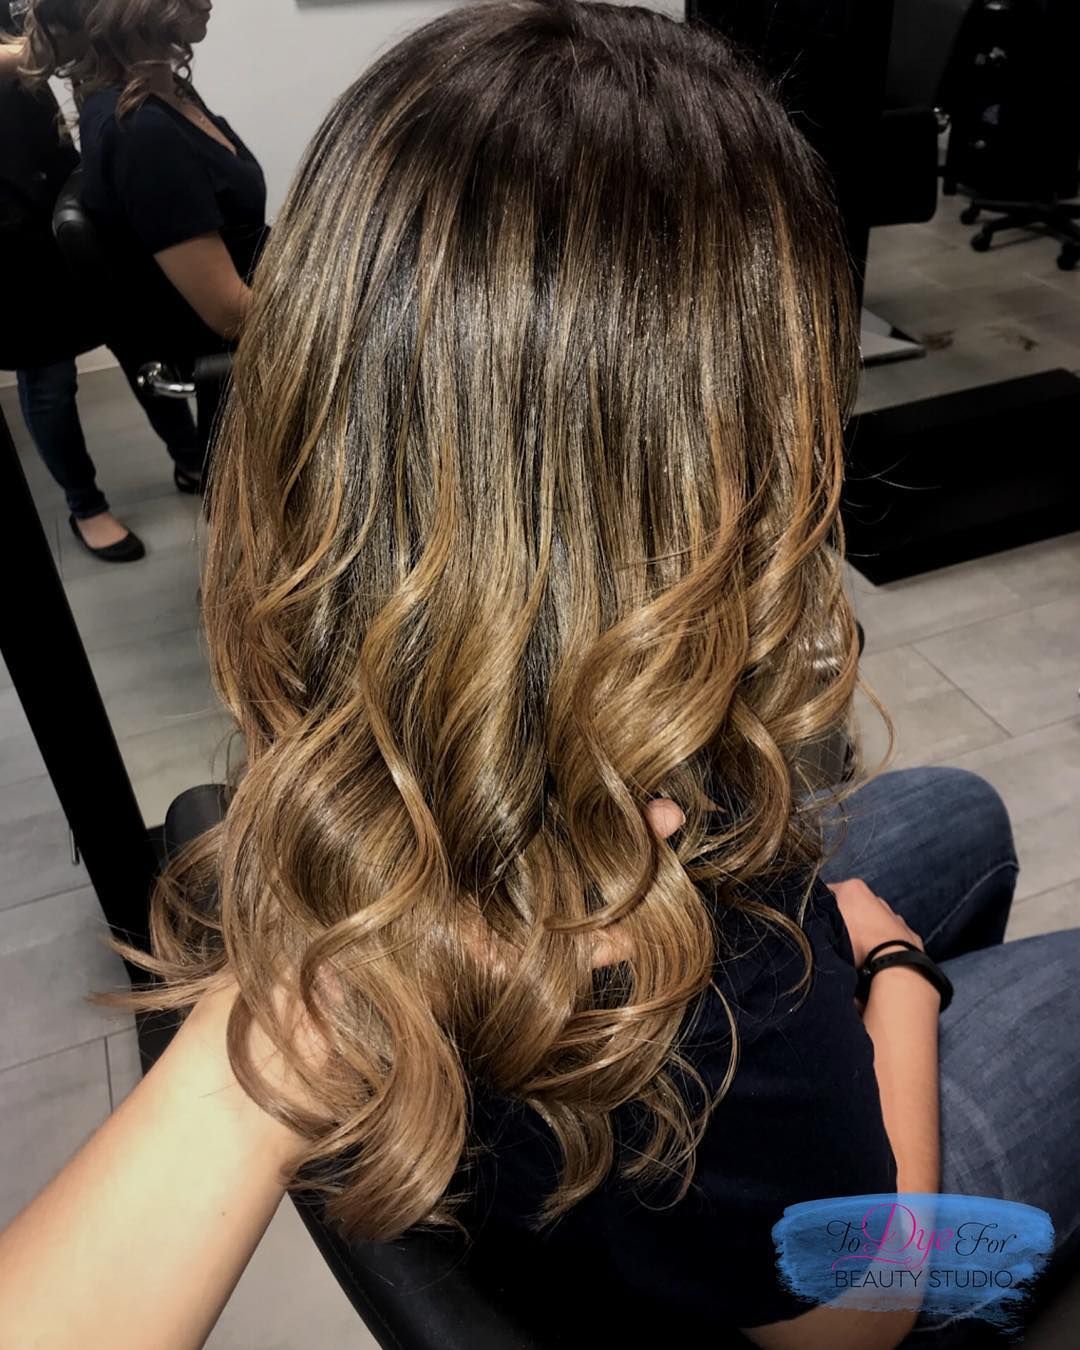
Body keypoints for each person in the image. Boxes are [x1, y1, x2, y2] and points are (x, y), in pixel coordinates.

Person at [0, 4, 1077, 1348]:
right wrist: (901, 982)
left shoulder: (349, 741)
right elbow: (859, 1317)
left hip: (613, 1145)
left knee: (961, 807)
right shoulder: (699, 925)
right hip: (817, 1272)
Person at [23, 0, 269, 486]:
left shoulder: (163, 89)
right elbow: (230, 313)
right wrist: (353, 314)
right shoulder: (141, 131)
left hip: (267, 298)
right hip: (247, 356)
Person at [0, 7, 146, 559]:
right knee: (49, 374)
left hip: (57, 177)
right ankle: (86, 505)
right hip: (6, 218)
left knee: (134, 333)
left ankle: (188, 455)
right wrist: (42, 49)